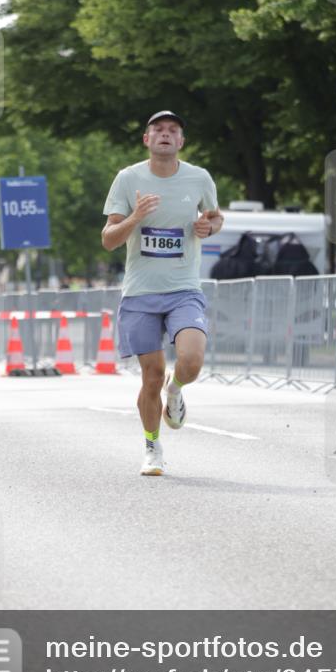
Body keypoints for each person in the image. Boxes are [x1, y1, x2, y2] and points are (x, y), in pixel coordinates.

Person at [102, 110, 223, 476]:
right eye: (158, 130)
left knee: (191, 361)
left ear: (181, 141)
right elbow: (108, 240)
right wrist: (135, 217)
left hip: (184, 289)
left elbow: (216, 217)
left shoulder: (199, 178)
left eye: (173, 130)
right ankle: (152, 446)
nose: (165, 134)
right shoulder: (128, 178)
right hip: (140, 293)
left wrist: (209, 226)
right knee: (150, 375)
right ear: (147, 139)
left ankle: (177, 391)